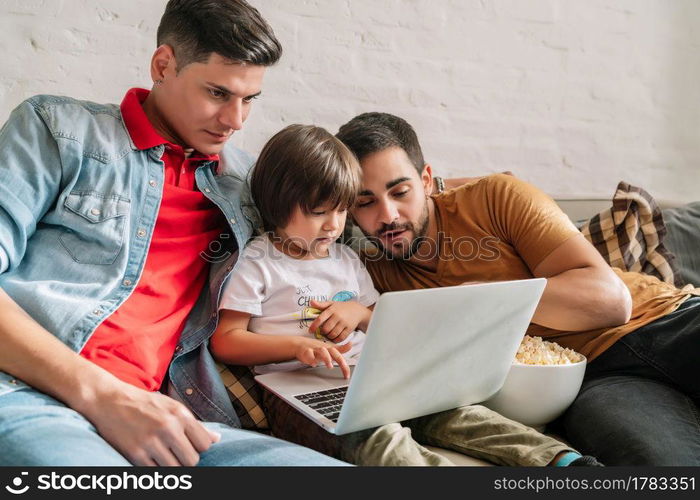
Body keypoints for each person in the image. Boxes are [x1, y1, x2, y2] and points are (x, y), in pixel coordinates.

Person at [0, 0, 345, 467]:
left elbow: (341, 216)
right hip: (30, 395)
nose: (236, 120)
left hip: (177, 418)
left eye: (249, 99)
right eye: (218, 93)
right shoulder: (60, 131)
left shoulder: (244, 182)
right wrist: (103, 396)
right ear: (164, 65)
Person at [211, 123, 602, 467]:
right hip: (299, 392)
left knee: (459, 413)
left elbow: (380, 315)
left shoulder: (345, 258)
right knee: (381, 442)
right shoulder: (258, 263)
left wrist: (357, 314)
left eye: (342, 211)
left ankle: (562, 462)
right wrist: (295, 347)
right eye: (317, 212)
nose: (333, 225)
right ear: (276, 203)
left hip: (374, 382)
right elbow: (226, 341)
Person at [335, 111, 700, 466]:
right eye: (365, 202)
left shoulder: (493, 198)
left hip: (663, 320)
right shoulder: (368, 274)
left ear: (427, 180)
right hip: (592, 382)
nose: (388, 216)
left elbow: (609, 301)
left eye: (400, 191)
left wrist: (481, 302)